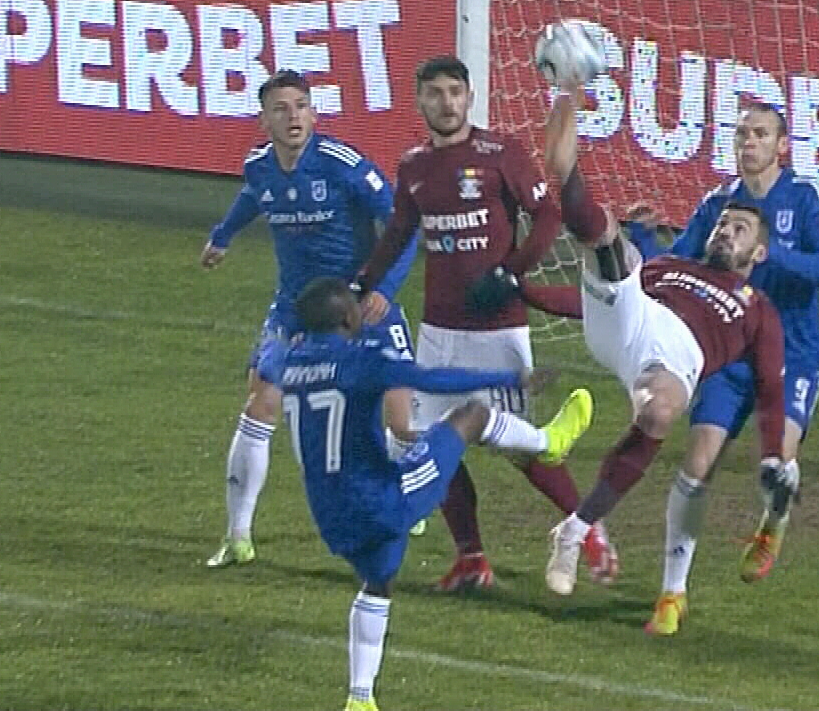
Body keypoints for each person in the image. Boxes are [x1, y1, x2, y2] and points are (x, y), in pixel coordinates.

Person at [259, 276, 594, 711]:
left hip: (330, 512)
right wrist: (511, 377)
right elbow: (429, 377)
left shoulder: (289, 361)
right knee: (470, 416)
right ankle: (549, 443)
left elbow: (269, 362)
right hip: (382, 498)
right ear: (347, 317)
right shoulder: (359, 359)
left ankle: (360, 699)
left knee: (378, 582)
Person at [356, 56, 617, 592]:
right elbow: (399, 233)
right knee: (429, 443)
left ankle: (589, 530)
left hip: (498, 326)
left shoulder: (502, 154)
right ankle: (471, 556)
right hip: (439, 331)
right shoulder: (413, 167)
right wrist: (366, 286)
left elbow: (547, 216)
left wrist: (510, 272)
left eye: (455, 91)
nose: (447, 102)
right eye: (435, 93)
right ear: (420, 101)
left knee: (520, 450)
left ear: (469, 96)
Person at [537, 80, 791, 602]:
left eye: (740, 230)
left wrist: (772, 456)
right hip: (632, 317)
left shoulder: (757, 309)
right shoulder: (672, 266)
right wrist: (522, 294)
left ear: (758, 255)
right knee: (605, 235)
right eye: (724, 224)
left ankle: (575, 530)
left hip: (672, 359)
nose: (725, 232)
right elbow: (594, 300)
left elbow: (768, 388)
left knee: (659, 414)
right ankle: (565, 121)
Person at [622, 101, 819, 635]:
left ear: (781, 145)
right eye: (742, 133)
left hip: (791, 355)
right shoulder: (720, 204)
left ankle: (773, 523)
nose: (748, 142)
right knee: (697, 463)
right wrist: (642, 240)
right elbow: (683, 263)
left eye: (760, 134)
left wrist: (772, 256)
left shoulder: (806, 198)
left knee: (779, 457)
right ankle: (672, 593)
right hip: (728, 354)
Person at [200, 69, 418, 568]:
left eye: (301, 106)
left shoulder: (342, 164)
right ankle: (238, 535)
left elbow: (402, 223)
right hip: (295, 311)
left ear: (314, 113)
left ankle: (406, 497)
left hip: (358, 307)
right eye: (281, 108)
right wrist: (223, 236)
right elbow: (252, 198)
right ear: (264, 120)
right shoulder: (259, 166)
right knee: (261, 402)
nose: (293, 116)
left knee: (401, 421)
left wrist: (381, 287)